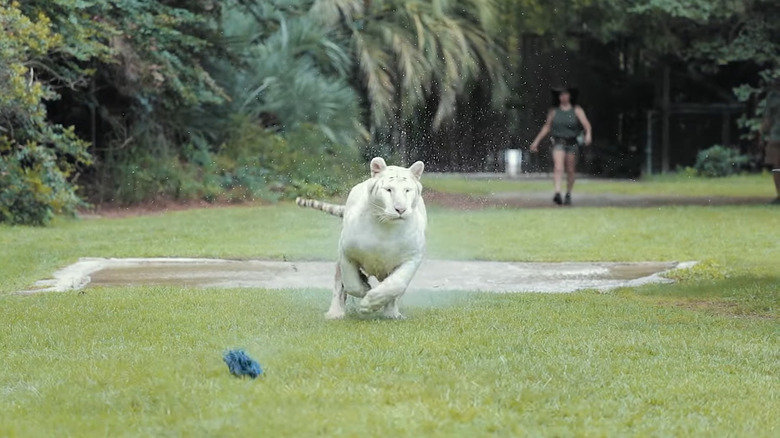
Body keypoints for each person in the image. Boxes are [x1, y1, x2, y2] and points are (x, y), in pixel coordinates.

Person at [530, 86, 592, 205]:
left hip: (572, 142)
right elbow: (547, 127)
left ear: (569, 96)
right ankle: (557, 193)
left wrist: (588, 134)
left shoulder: (576, 110)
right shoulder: (554, 111)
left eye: (565, 94)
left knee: (570, 170)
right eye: (561, 95)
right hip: (559, 142)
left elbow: (587, 125)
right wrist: (536, 141)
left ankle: (568, 193)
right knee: (558, 167)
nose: (563, 97)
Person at [761, 87, 780, 204]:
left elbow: (767, 120)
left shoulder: (773, 97)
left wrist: (762, 133)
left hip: (776, 136)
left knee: (777, 167)